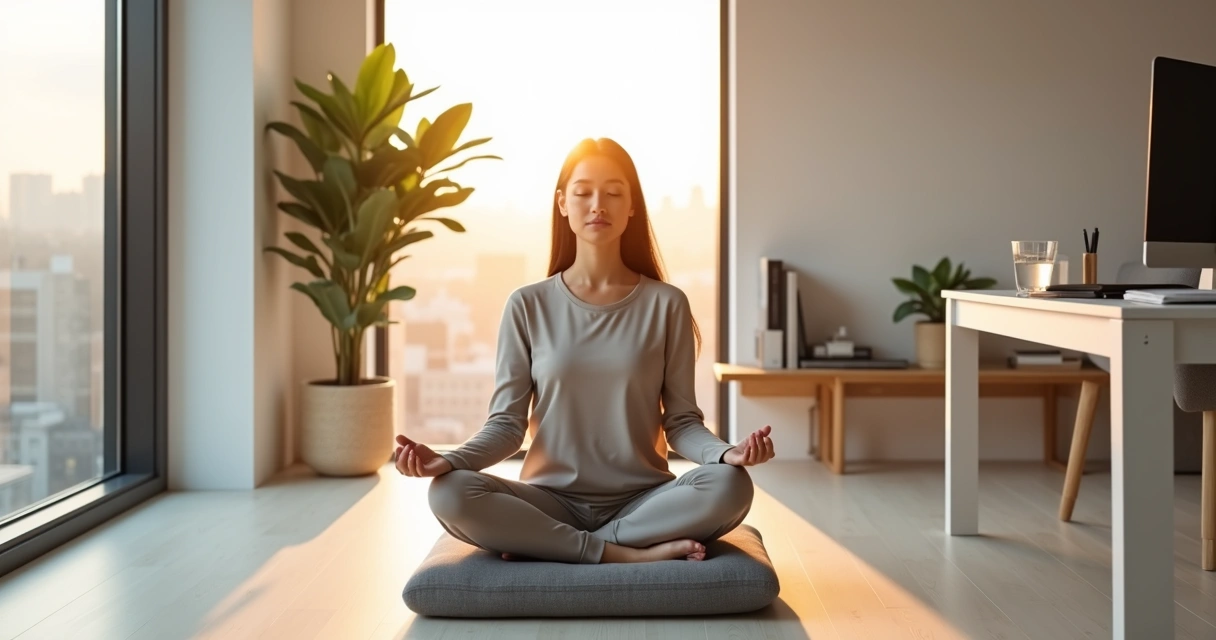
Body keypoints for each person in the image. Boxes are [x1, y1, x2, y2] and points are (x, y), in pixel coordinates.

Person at [392, 137, 776, 564]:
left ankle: (559, 545)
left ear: (632, 207)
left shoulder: (667, 303)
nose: (599, 205)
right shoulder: (527, 304)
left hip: (644, 501)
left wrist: (727, 454)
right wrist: (447, 460)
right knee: (450, 492)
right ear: (562, 203)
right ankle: (624, 553)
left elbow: (682, 423)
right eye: (583, 193)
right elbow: (506, 426)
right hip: (549, 500)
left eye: (614, 193)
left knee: (731, 484)